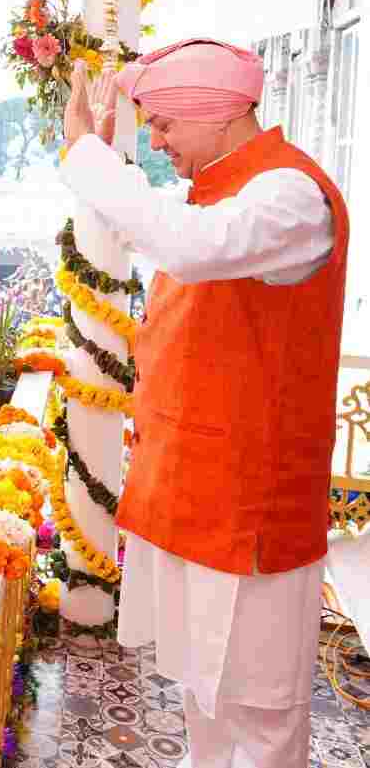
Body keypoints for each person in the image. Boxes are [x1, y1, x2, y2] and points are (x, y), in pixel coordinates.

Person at [63, 40, 348, 768]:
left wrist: (90, 162)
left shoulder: (289, 195)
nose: (156, 142)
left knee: (257, 717)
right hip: (191, 498)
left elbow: (189, 246)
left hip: (250, 513)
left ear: (215, 115)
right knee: (202, 697)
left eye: (163, 124)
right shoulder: (218, 192)